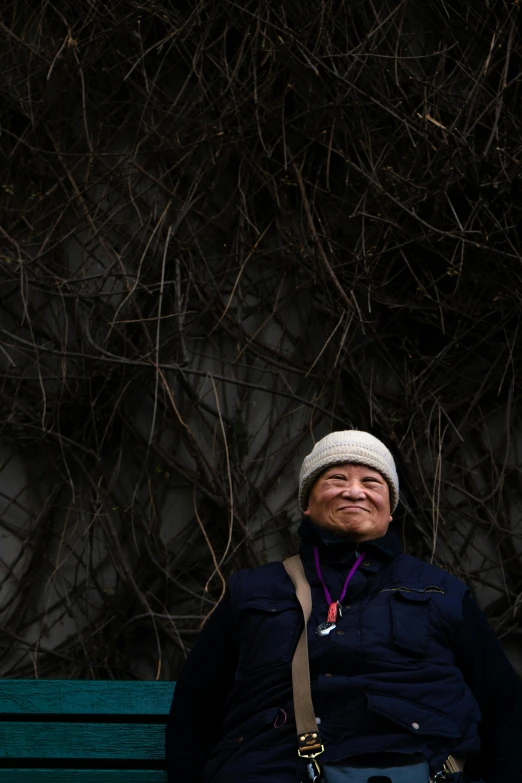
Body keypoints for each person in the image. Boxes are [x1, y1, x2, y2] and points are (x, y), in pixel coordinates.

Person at [165, 430, 522, 783]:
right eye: (336, 478)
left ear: (390, 509)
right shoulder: (252, 590)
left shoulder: (442, 592)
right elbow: (194, 710)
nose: (354, 491)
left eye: (372, 481)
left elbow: (504, 707)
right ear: (308, 502)